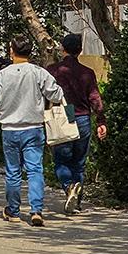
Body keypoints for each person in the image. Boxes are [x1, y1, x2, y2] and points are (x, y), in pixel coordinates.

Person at [0, 35, 65, 227]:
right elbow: (56, 93)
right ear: (30, 52)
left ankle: (13, 210)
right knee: (35, 169)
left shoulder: (3, 74)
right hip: (33, 128)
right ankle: (36, 210)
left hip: (10, 128)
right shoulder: (38, 72)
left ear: (11, 51)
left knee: (13, 171)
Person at [47, 32, 107, 214]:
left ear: (63, 49)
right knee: (79, 162)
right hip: (82, 117)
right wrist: (101, 121)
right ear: (80, 51)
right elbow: (95, 98)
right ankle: (77, 202)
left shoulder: (53, 71)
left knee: (61, 160)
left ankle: (68, 187)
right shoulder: (87, 73)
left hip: (62, 116)